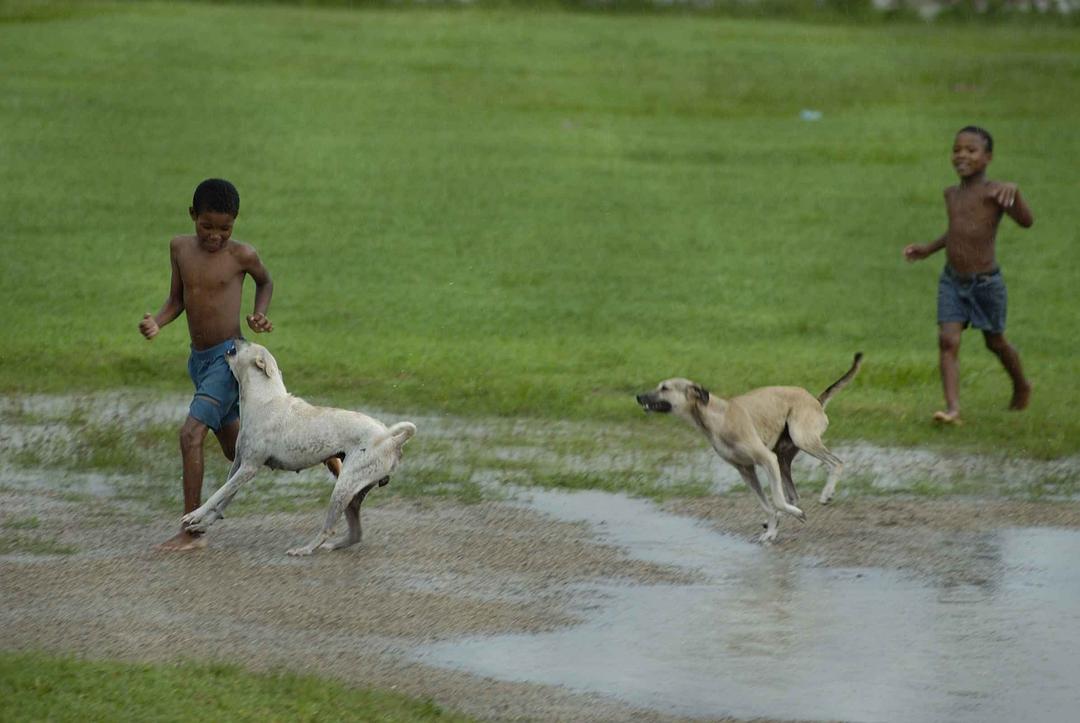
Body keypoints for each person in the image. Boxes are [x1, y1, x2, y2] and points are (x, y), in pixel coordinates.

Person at [140, 179, 340, 550]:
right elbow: (176, 299)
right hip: (199, 362)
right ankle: (323, 450)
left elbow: (266, 282)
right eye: (207, 226)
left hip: (230, 359)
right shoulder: (180, 249)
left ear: (235, 223)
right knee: (237, 451)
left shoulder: (242, 255)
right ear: (192, 216)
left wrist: (260, 313)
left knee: (190, 435)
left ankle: (191, 532)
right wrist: (158, 322)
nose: (215, 236)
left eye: (224, 228)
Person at [903, 126, 1034, 425]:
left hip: (986, 284)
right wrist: (928, 249)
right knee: (948, 340)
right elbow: (957, 232)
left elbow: (1026, 222)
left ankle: (1022, 384)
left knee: (995, 342)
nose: (962, 155)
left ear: (987, 158)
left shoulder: (996, 193)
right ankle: (952, 409)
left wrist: (1016, 193)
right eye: (957, 149)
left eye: (971, 150)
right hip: (952, 281)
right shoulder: (951, 194)